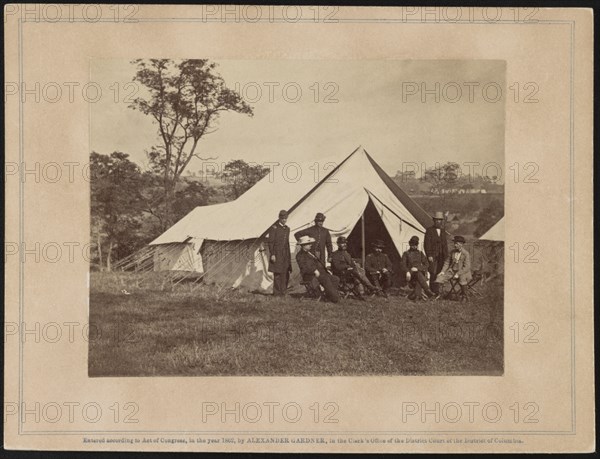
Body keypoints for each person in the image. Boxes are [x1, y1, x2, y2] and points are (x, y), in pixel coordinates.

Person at [296, 236, 340, 303]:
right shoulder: (300, 255)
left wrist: (326, 270)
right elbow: (304, 268)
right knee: (326, 279)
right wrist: (314, 270)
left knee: (335, 278)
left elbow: (317, 264)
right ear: (303, 245)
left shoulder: (310, 253)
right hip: (309, 275)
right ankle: (334, 299)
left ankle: (330, 295)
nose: (311, 245)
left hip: (319, 273)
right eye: (309, 243)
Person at [433, 235, 472, 302]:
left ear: (461, 244)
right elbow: (447, 263)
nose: (455, 245)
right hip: (452, 271)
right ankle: (440, 295)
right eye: (454, 243)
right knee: (439, 277)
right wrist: (442, 271)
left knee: (462, 278)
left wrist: (458, 273)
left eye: (456, 243)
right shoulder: (452, 252)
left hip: (463, 271)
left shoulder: (466, 253)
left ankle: (464, 296)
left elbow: (467, 267)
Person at [401, 235, 435, 301]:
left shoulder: (420, 253)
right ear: (410, 244)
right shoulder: (406, 254)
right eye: (412, 245)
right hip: (410, 275)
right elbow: (403, 265)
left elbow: (427, 264)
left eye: (416, 245)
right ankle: (428, 291)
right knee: (418, 275)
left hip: (420, 274)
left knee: (418, 276)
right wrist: (407, 271)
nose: (414, 246)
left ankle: (417, 296)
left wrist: (418, 268)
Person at [266, 209, 292, 296]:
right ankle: (277, 293)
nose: (284, 220)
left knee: (285, 272)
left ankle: (283, 291)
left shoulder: (287, 229)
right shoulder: (274, 228)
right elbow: (271, 242)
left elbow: (287, 243)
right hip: (277, 254)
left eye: (285, 218)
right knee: (277, 273)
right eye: (283, 218)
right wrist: (272, 254)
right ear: (279, 218)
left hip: (285, 254)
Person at [424, 211, 449, 295]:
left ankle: (438, 291)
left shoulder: (442, 231)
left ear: (441, 221)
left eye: (440, 220)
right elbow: (427, 244)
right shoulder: (429, 230)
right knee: (433, 272)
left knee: (440, 272)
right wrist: (429, 255)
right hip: (433, 256)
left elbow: (445, 244)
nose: (438, 221)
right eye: (436, 220)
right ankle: (432, 291)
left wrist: (446, 256)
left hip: (441, 256)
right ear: (434, 220)